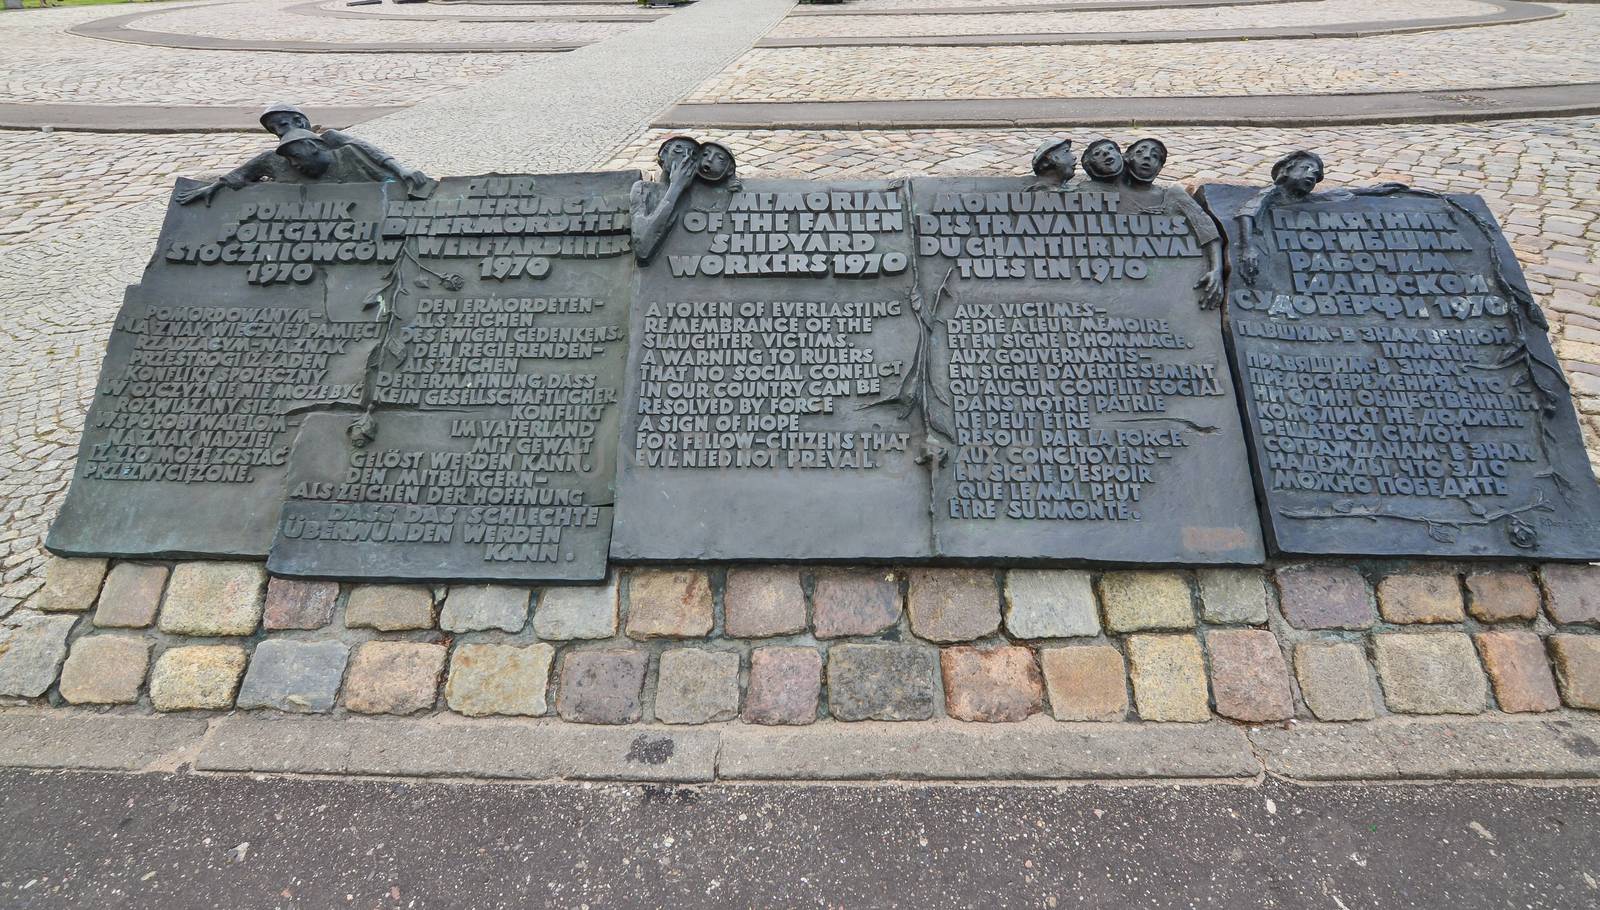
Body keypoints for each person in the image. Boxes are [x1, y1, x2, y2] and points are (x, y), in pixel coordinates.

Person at [177, 103, 432, 205]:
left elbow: (371, 151)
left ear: (300, 121)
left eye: (284, 124)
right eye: (275, 129)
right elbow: (241, 174)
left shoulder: (333, 141)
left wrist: (402, 169)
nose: (279, 132)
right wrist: (212, 187)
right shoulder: (274, 158)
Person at [1235, 150, 1406, 284]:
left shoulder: (1305, 199)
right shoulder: (1273, 194)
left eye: (1316, 175)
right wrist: (1246, 248)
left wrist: (1372, 191)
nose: (1312, 175)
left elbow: (1333, 194)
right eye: (1306, 168)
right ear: (1286, 170)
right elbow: (1247, 213)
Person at [1119, 138, 1224, 308]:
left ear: (1160, 167)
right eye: (1140, 152)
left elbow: (1209, 232)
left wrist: (1216, 270)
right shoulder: (1107, 191)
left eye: (1155, 156)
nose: (1147, 157)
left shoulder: (1173, 195)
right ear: (1126, 157)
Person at [630, 135, 701, 264]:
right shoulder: (643, 189)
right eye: (678, 150)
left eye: (693, 155)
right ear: (663, 155)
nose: (686, 157)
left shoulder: (699, 193)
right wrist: (675, 187)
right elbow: (643, 248)